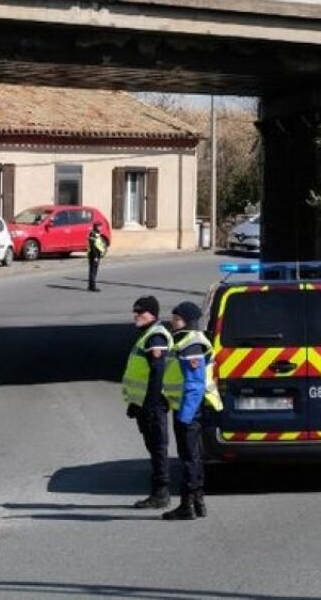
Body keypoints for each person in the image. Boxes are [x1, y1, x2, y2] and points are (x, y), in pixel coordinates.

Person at [160, 301, 222, 521]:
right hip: (187, 408)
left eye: (176, 319)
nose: (172, 322)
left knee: (189, 458)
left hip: (189, 410)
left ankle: (187, 505)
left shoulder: (191, 344)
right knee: (193, 456)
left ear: (188, 321)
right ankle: (198, 501)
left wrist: (185, 416)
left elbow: (195, 385)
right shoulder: (186, 341)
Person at [121, 295, 173, 509]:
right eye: (135, 311)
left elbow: (157, 371)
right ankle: (159, 491)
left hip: (154, 404)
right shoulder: (147, 335)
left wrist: (150, 403)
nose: (136, 316)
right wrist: (135, 403)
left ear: (152, 314)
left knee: (158, 447)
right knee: (153, 446)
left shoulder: (156, 337)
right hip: (144, 404)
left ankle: (161, 493)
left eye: (140, 312)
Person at [86, 222, 109, 292]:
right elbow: (93, 247)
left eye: (100, 226)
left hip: (97, 255)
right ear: (95, 227)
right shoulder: (93, 234)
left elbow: (100, 244)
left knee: (94, 271)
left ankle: (91, 285)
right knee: (93, 271)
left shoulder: (97, 234)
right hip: (93, 255)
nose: (100, 228)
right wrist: (95, 257)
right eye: (99, 226)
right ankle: (92, 286)